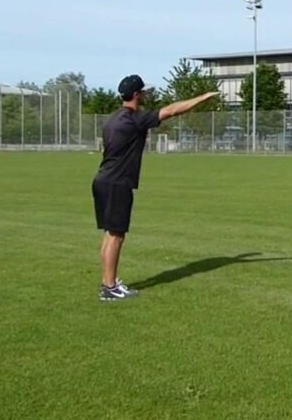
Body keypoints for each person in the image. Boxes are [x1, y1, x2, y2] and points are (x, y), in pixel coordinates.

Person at [92, 74, 220, 301]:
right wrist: (202, 98)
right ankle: (110, 288)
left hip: (102, 180)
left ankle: (107, 282)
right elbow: (171, 111)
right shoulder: (134, 119)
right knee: (116, 237)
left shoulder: (113, 119)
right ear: (135, 95)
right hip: (117, 182)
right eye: (142, 92)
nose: (145, 95)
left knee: (110, 234)